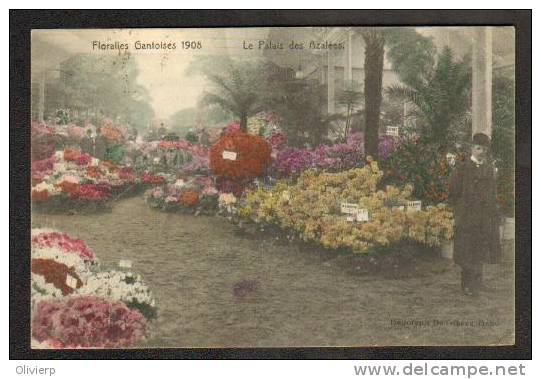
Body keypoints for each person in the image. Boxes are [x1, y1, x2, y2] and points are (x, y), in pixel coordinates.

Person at [448, 133, 502, 296]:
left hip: (484, 217)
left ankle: (478, 282)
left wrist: (493, 213)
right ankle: (467, 285)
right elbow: (453, 192)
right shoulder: (462, 168)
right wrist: (460, 210)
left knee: (480, 248)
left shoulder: (489, 169)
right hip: (467, 217)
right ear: (472, 148)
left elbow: (492, 193)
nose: (481, 152)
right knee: (467, 250)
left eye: (484, 149)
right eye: (478, 148)